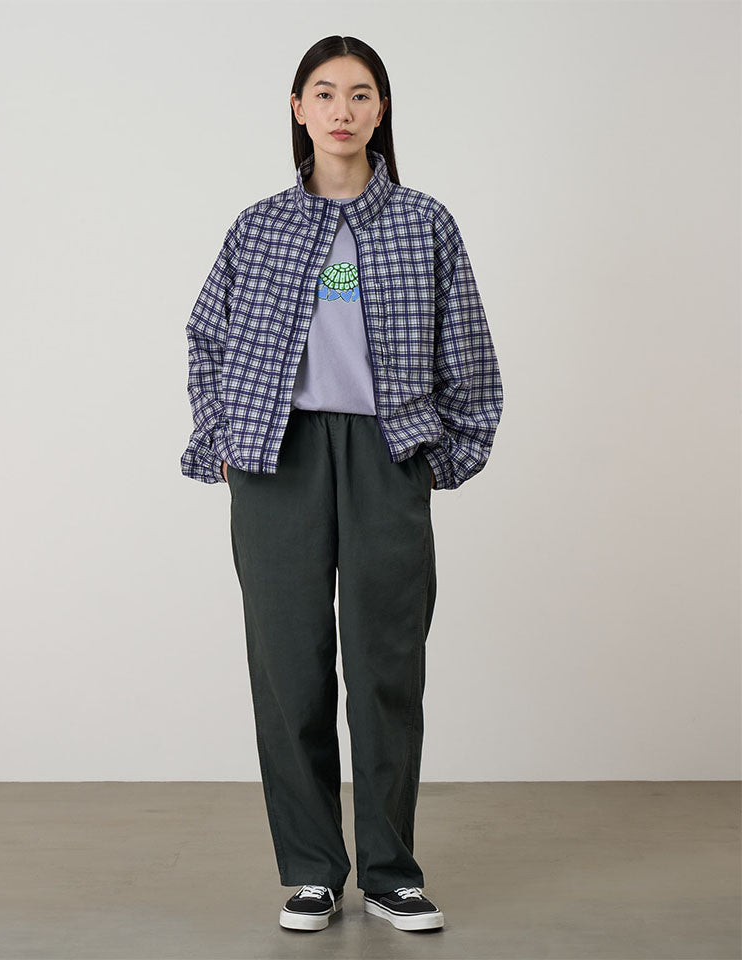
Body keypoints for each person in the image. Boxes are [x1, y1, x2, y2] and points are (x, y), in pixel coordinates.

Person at [180, 35, 503, 934]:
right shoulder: (258, 227)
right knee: (288, 666)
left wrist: (443, 455)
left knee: (385, 665)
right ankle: (314, 870)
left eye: (361, 94)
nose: (342, 110)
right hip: (275, 457)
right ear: (297, 109)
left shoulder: (425, 223)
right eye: (324, 93)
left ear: (381, 110)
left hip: (385, 454)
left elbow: (469, 349)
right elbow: (207, 337)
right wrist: (223, 440)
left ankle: (392, 872)